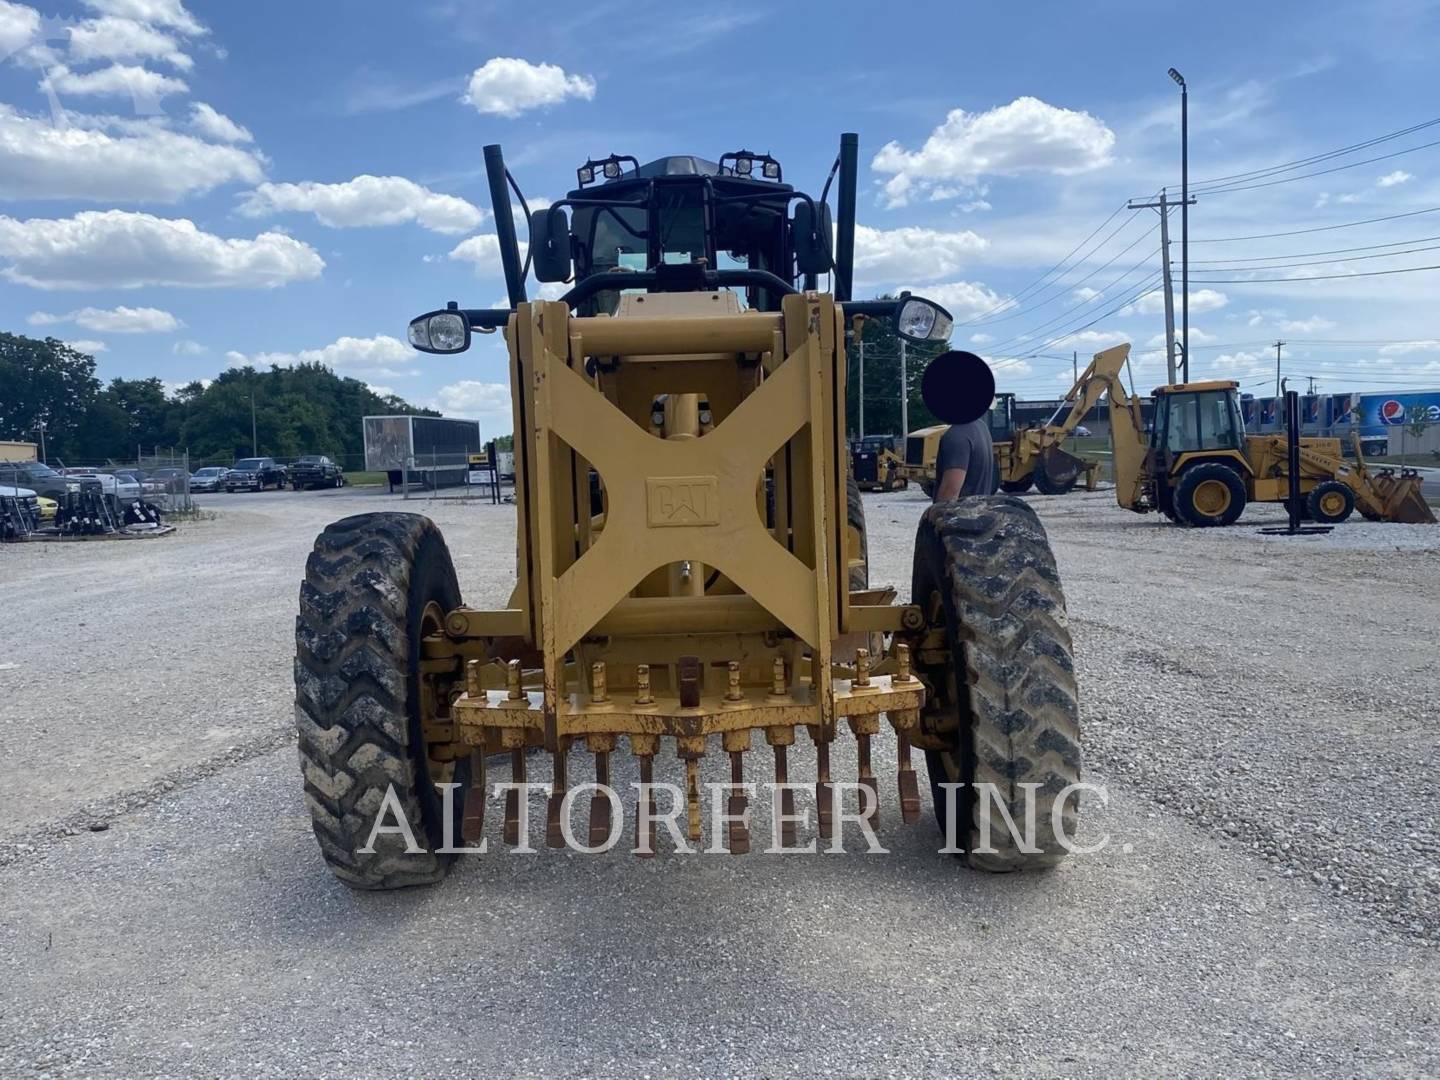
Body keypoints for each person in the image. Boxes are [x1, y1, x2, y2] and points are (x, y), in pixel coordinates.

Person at [919, 350, 996, 502]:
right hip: (978, 516)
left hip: (959, 521)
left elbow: (950, 491)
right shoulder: (981, 428)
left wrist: (937, 521)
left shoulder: (956, 436)